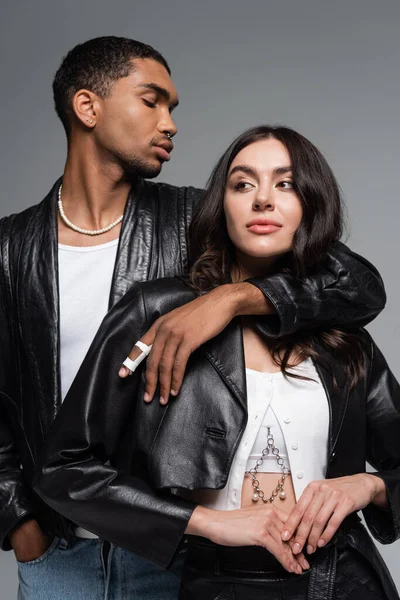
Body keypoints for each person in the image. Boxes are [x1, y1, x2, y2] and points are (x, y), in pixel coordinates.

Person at [0, 35, 386, 600]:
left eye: (173, 107)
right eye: (152, 101)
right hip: (59, 545)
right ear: (88, 107)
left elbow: (356, 283)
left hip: (176, 547)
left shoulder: (195, 218)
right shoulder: (11, 251)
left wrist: (229, 299)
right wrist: (15, 515)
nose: (171, 123)